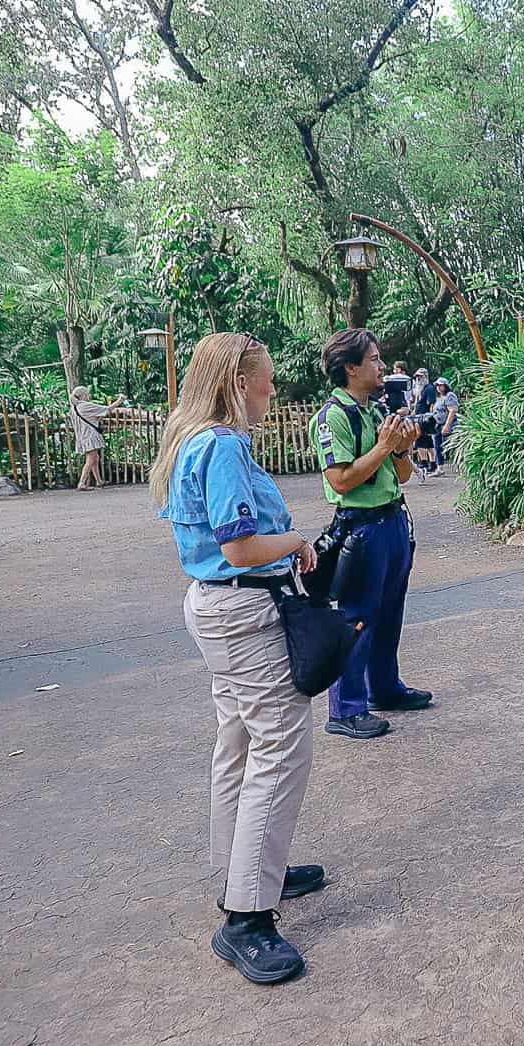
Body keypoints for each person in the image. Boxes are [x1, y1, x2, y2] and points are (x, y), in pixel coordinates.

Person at [149, 332, 325, 986]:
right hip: (242, 609)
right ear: (235, 384)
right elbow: (242, 547)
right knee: (280, 744)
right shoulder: (221, 446)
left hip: (216, 608)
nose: (272, 390)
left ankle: (245, 871)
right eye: (266, 379)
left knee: (239, 741)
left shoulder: (190, 439)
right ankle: (246, 916)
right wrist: (297, 540)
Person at [310, 329, 435, 738]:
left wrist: (400, 449)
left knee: (389, 613)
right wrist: (383, 448)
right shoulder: (333, 416)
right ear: (350, 367)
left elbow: (402, 475)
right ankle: (345, 708)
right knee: (357, 617)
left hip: (393, 520)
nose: (383, 367)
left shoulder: (377, 412)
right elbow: (341, 480)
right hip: (360, 526)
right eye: (375, 360)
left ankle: (384, 688)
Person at [70, 385, 128, 490]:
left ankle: (98, 480)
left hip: (83, 436)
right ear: (82, 396)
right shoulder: (84, 406)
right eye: (87, 394)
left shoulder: (74, 408)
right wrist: (120, 400)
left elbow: (93, 417)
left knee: (95, 458)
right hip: (89, 436)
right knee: (91, 459)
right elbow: (106, 409)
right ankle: (82, 483)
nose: (89, 396)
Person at [427, 374, 459, 472]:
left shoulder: (450, 395)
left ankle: (459, 466)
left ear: (445, 386)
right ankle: (439, 468)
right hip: (437, 425)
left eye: (440, 385)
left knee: (451, 446)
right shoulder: (439, 397)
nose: (438, 387)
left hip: (448, 424)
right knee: (437, 446)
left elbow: (453, 410)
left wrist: (447, 426)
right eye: (437, 385)